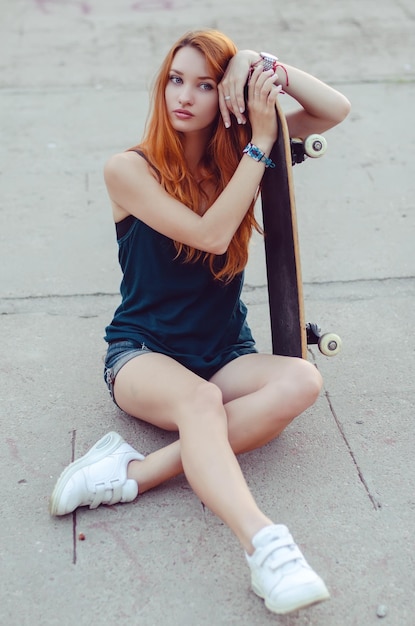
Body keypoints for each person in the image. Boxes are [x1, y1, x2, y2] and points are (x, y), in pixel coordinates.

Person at [49, 29, 350, 616]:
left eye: (206, 84)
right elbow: (212, 234)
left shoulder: (236, 160)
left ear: (227, 96)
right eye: (175, 80)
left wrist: (261, 66)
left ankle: (132, 471)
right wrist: (261, 143)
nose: (182, 96)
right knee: (201, 405)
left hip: (223, 352)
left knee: (304, 380)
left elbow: (333, 109)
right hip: (143, 353)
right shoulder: (128, 170)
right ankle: (267, 546)